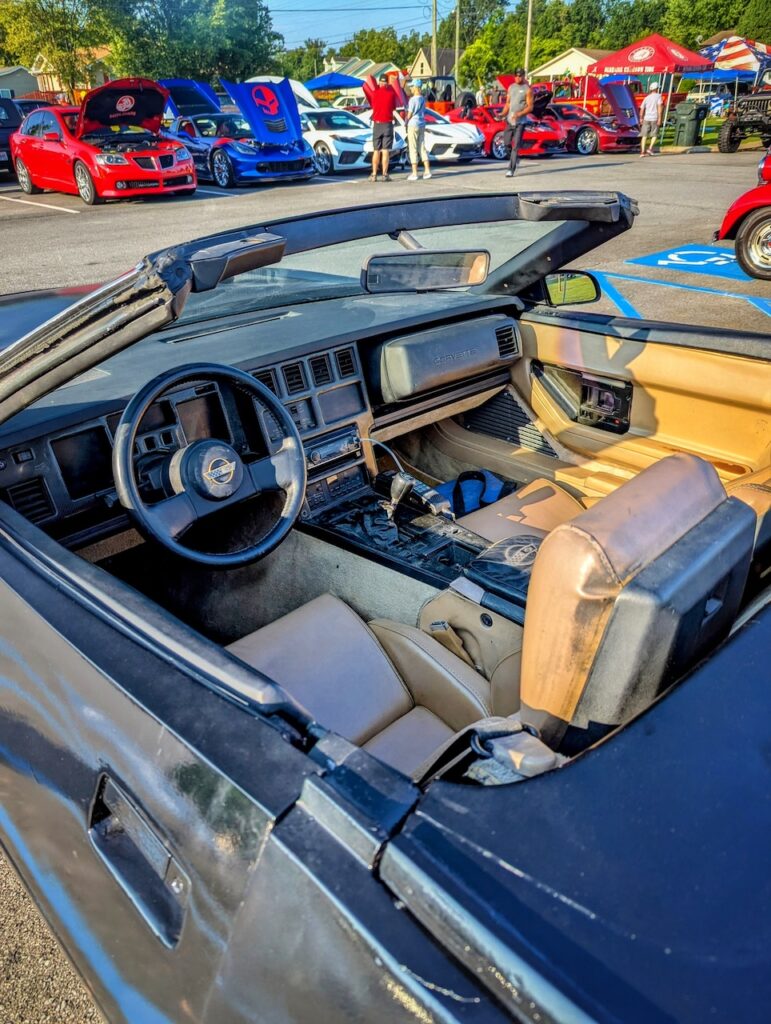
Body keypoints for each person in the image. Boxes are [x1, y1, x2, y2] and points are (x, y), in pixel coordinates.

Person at [500, 68, 533, 178]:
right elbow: (508, 104)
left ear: (523, 76)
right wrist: (502, 114)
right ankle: (515, 159)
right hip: (510, 121)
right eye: (516, 75)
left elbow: (530, 107)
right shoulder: (511, 88)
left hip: (520, 122)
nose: (518, 77)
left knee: (516, 146)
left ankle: (511, 169)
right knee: (506, 144)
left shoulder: (527, 90)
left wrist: (520, 114)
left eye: (520, 75)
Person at [369, 74, 397, 181]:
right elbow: (393, 107)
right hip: (387, 124)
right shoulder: (391, 94)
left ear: (379, 82)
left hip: (377, 124)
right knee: (385, 150)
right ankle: (385, 175)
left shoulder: (374, 93)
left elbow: (373, 106)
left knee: (376, 150)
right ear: (387, 83)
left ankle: (374, 175)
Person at [405, 82, 431, 181]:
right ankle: (427, 170)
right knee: (422, 146)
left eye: (412, 86)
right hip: (421, 124)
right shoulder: (422, 99)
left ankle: (414, 173)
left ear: (416, 88)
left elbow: (410, 114)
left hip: (413, 124)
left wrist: (406, 121)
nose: (411, 88)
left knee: (413, 148)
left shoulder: (412, 100)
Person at [639, 81, 663, 157]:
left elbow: (642, 108)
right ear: (657, 89)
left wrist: (641, 118)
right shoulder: (659, 96)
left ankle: (642, 152)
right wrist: (660, 118)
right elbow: (659, 107)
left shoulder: (646, 98)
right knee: (655, 135)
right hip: (654, 118)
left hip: (646, 118)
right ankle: (650, 148)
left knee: (644, 136)